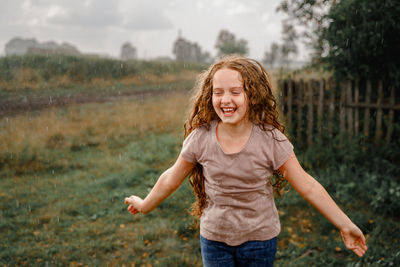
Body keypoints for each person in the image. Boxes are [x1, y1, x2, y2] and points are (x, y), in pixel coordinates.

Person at [124, 55, 368, 266]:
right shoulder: (200, 138)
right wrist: (146, 204)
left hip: (259, 241)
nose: (225, 99)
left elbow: (308, 185)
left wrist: (344, 224)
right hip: (214, 240)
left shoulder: (271, 140)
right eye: (217, 92)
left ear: (253, 95)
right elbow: (171, 178)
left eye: (235, 92)